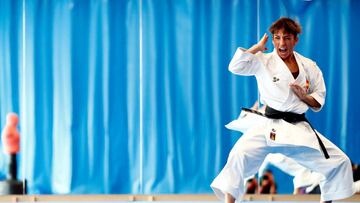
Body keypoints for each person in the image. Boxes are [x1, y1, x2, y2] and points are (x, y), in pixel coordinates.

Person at [210, 17, 355, 203]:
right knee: (239, 155)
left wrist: (304, 97)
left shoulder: (309, 66)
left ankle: (326, 200)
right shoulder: (263, 60)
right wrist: (255, 48)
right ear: (272, 40)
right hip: (268, 126)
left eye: (286, 38)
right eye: (277, 38)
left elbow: (318, 101)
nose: (281, 43)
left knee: (339, 162)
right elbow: (235, 66)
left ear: (295, 40)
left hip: (298, 129)